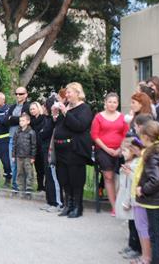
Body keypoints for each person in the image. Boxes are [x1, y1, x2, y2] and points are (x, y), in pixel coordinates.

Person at [52, 82, 93, 218]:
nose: (67, 95)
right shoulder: (66, 107)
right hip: (61, 149)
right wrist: (55, 115)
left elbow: (79, 126)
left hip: (75, 149)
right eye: (67, 93)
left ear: (77, 93)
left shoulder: (84, 109)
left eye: (69, 92)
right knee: (63, 178)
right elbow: (59, 126)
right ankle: (68, 205)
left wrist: (65, 112)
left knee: (75, 179)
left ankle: (77, 206)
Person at [91, 93, 129, 216]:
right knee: (108, 176)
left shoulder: (122, 117)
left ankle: (121, 203)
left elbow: (126, 134)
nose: (112, 104)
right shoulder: (98, 117)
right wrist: (107, 149)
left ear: (117, 104)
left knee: (122, 177)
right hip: (103, 150)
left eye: (115, 102)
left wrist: (119, 149)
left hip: (120, 150)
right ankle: (114, 206)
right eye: (110, 102)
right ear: (105, 102)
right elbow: (94, 135)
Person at [135, 120, 159, 264]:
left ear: (146, 137)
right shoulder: (158, 150)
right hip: (157, 200)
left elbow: (156, 179)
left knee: (155, 235)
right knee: (156, 234)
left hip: (155, 202)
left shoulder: (153, 154)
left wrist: (142, 189)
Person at [116, 137, 143, 261]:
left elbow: (135, 182)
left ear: (132, 151)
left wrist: (128, 173)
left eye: (125, 151)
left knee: (135, 226)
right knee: (131, 224)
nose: (122, 153)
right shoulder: (128, 163)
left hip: (132, 200)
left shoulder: (136, 164)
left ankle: (136, 248)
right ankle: (131, 245)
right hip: (127, 197)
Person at [37, 96, 62, 212]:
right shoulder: (46, 118)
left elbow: (44, 133)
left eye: (45, 105)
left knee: (53, 177)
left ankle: (58, 203)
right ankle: (50, 201)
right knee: (48, 176)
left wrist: (41, 133)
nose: (43, 107)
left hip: (51, 150)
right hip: (44, 149)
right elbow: (41, 133)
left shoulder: (53, 119)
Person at [7, 86, 31, 190]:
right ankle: (15, 185)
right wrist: (17, 119)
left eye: (20, 94)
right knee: (13, 163)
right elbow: (6, 120)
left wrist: (12, 118)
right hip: (12, 137)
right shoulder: (12, 107)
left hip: (23, 139)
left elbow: (24, 120)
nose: (18, 95)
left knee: (23, 164)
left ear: (26, 95)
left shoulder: (28, 106)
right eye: (16, 93)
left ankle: (23, 186)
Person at [12, 114, 36, 198]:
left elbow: (33, 145)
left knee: (29, 172)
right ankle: (20, 188)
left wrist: (33, 157)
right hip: (19, 156)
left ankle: (29, 189)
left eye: (23, 121)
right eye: (20, 121)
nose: (21, 122)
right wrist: (13, 155)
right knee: (19, 172)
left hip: (28, 156)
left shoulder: (31, 132)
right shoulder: (17, 132)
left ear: (28, 122)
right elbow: (14, 144)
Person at [29, 102, 46, 191]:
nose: (32, 111)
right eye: (31, 109)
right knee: (38, 167)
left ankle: (47, 186)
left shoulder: (44, 119)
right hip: (34, 146)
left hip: (43, 146)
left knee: (45, 167)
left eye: (33, 109)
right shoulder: (30, 121)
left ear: (38, 109)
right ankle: (40, 186)